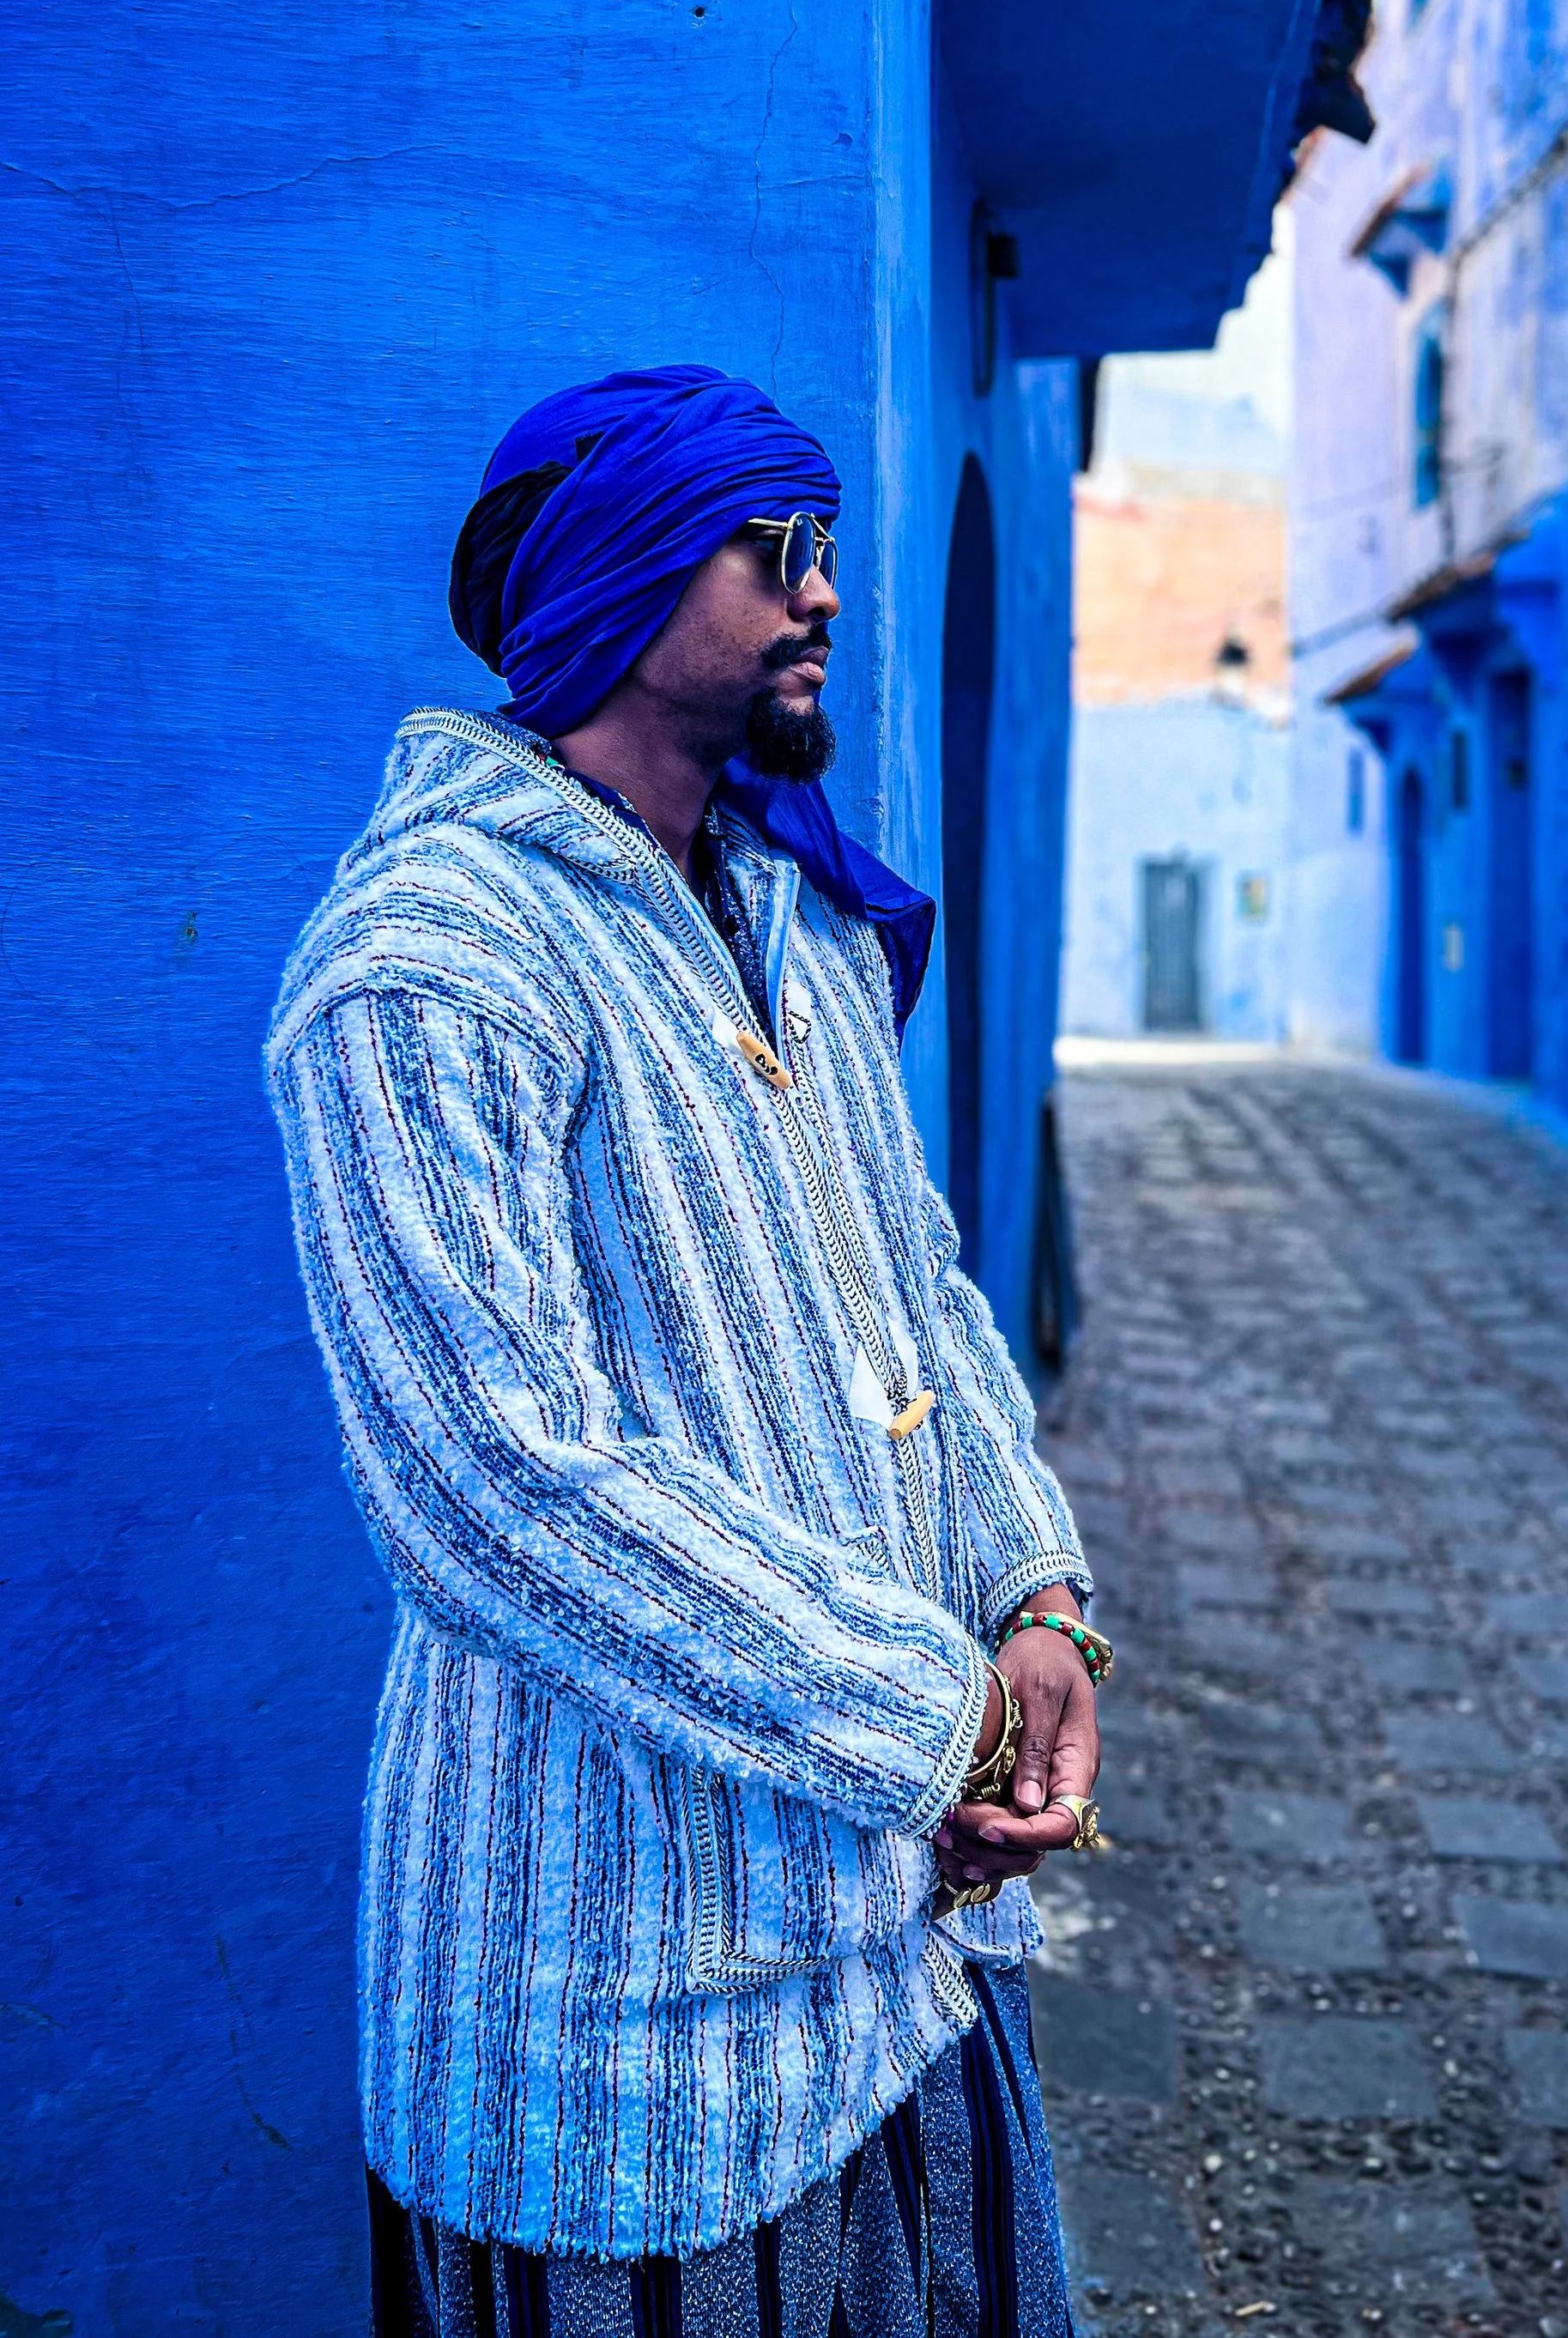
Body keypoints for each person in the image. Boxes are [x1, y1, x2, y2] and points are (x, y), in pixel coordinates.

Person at [267, 366, 1106, 2338]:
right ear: (618, 571)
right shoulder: (427, 961)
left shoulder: (786, 910)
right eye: (770, 549)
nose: (820, 594)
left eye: (821, 548)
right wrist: (938, 1720)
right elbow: (488, 1483)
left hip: (891, 1963)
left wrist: (1033, 1589)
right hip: (618, 2023)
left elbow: (922, 1285)